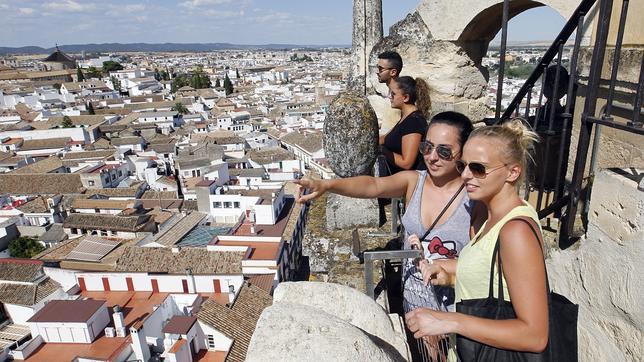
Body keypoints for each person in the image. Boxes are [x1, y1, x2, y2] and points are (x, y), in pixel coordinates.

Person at [295, 112, 482, 360]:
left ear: (464, 153)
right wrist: (328, 185)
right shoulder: (414, 181)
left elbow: (483, 263)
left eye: (444, 151)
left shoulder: (473, 200)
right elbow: (373, 186)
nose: (432, 157)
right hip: (414, 296)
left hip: (454, 305)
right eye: (427, 147)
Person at [405, 119, 549, 356]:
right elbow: (495, 277)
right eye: (463, 166)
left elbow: (534, 335)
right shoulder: (491, 217)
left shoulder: (515, 231)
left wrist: (449, 321)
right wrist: (451, 274)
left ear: (513, 172)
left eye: (479, 169)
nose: (466, 176)